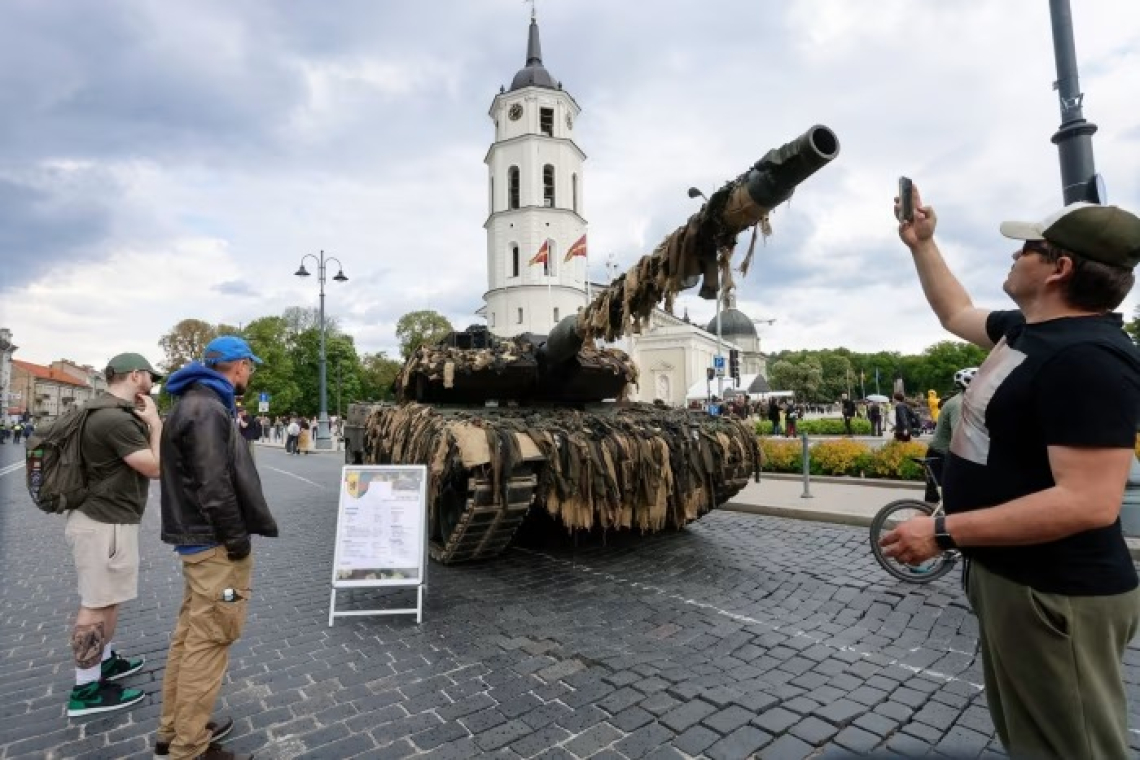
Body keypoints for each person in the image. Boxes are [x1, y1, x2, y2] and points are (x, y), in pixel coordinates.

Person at [881, 187, 1140, 760]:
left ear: (1059, 268)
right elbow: (955, 313)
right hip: (1017, 583)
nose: (1014, 255)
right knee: (1032, 743)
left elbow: (1087, 502)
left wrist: (943, 531)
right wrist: (922, 244)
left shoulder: (1089, 359)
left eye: (1026, 249)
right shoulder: (1030, 330)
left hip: (1056, 596)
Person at [157, 336, 279, 760]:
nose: (251, 373)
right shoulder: (207, 409)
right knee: (210, 641)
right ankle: (189, 746)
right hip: (215, 549)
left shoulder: (192, 402)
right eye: (250, 367)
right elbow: (214, 487)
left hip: (198, 544)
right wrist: (238, 542)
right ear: (239, 365)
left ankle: (174, 729)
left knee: (191, 637)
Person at [65, 353, 163, 717]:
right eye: (150, 377)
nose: (152, 384)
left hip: (106, 520)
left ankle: (103, 661)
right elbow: (155, 468)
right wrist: (155, 424)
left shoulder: (104, 411)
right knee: (95, 604)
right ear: (135, 376)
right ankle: (86, 688)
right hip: (104, 522)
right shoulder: (113, 419)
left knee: (108, 599)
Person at [923, 368, 975, 503]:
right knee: (936, 502)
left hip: (945, 454)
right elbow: (960, 435)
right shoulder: (960, 404)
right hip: (941, 456)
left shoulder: (966, 400)